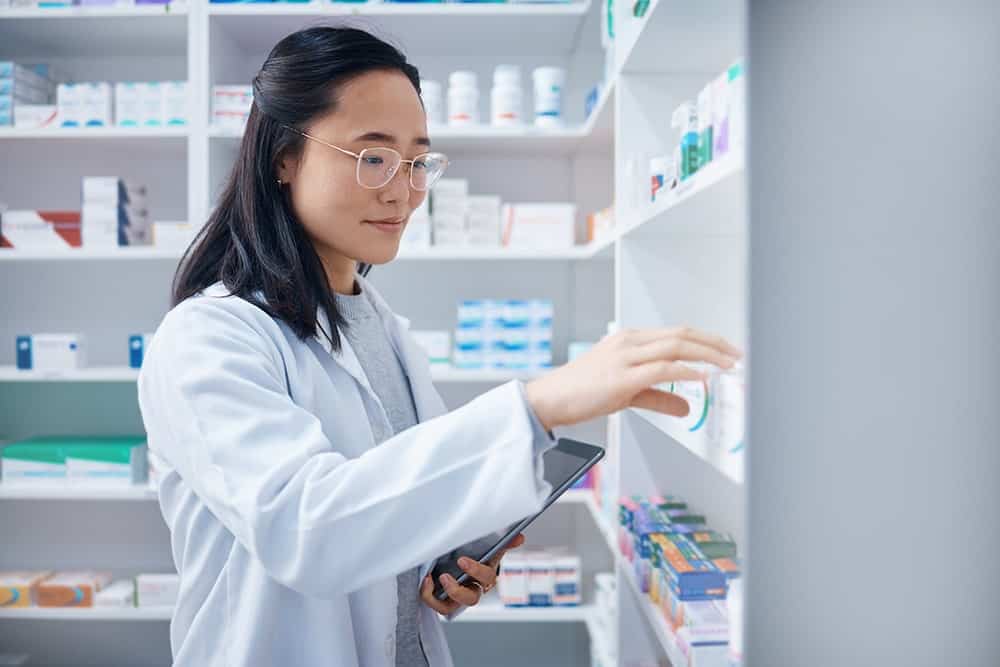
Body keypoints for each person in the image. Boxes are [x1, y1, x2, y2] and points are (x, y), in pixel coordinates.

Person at [137, 26, 740, 667]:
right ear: (283, 157)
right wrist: (538, 406)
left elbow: (383, 510)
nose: (403, 190)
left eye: (419, 160)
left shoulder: (382, 326)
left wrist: (441, 560)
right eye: (373, 157)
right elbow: (309, 533)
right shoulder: (209, 337)